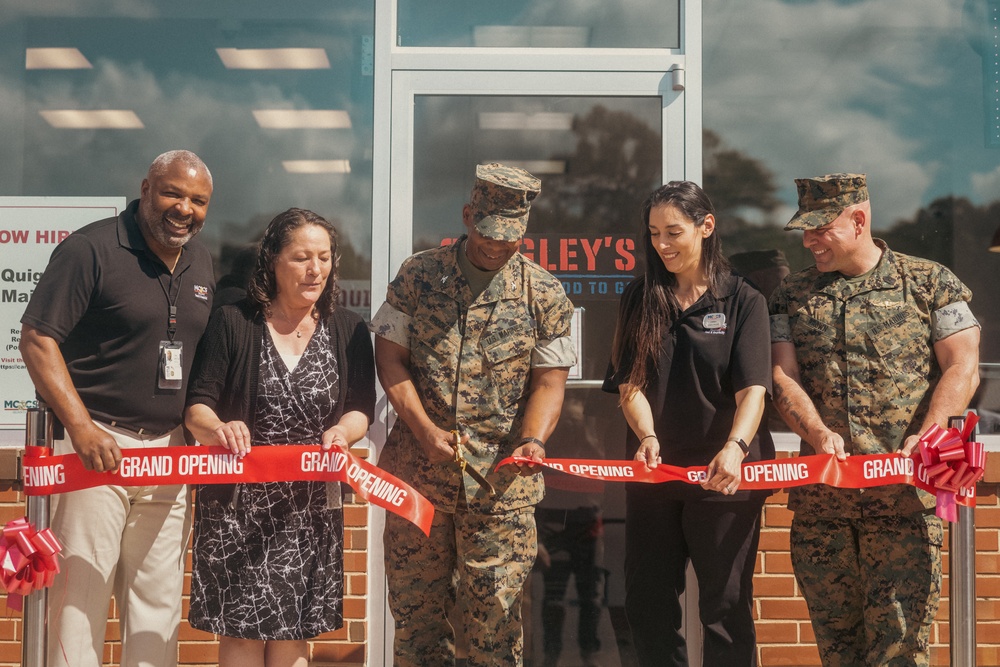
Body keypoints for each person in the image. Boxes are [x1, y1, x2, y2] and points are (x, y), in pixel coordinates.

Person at [768, 173, 981, 666]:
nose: (809, 241)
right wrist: (817, 432)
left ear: (858, 220)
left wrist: (930, 432)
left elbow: (962, 366)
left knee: (900, 652)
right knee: (837, 651)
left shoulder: (929, 283)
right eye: (804, 231)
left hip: (903, 506)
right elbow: (783, 374)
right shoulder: (790, 295)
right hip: (824, 510)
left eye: (821, 229)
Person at [370, 162, 577, 667]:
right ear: (467, 216)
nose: (496, 245)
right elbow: (389, 357)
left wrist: (533, 440)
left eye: (509, 237)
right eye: (487, 232)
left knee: (495, 628)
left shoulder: (543, 293)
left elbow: (549, 383)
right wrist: (422, 429)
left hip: (500, 489)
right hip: (419, 479)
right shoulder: (419, 275)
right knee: (417, 621)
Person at [19, 150, 215, 667]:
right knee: (76, 607)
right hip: (95, 451)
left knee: (157, 608)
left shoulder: (203, 261)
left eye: (198, 201)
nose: (184, 209)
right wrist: (80, 426)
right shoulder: (90, 248)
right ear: (146, 187)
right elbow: (38, 338)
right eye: (173, 193)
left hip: (170, 455)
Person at [184, 208, 375, 667]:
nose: (316, 270)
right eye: (302, 257)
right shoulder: (232, 322)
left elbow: (360, 409)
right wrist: (218, 427)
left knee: (294, 640)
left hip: (308, 511)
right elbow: (196, 408)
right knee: (243, 639)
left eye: (325, 258)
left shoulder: (348, 330)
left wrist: (342, 432)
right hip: (237, 511)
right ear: (273, 261)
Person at [602, 180, 774, 666]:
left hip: (725, 478)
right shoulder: (640, 296)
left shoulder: (743, 299)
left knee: (725, 606)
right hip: (655, 471)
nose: (662, 244)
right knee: (647, 604)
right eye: (654, 232)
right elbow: (630, 384)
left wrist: (736, 447)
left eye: (673, 231)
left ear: (706, 227)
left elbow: (753, 390)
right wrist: (648, 436)